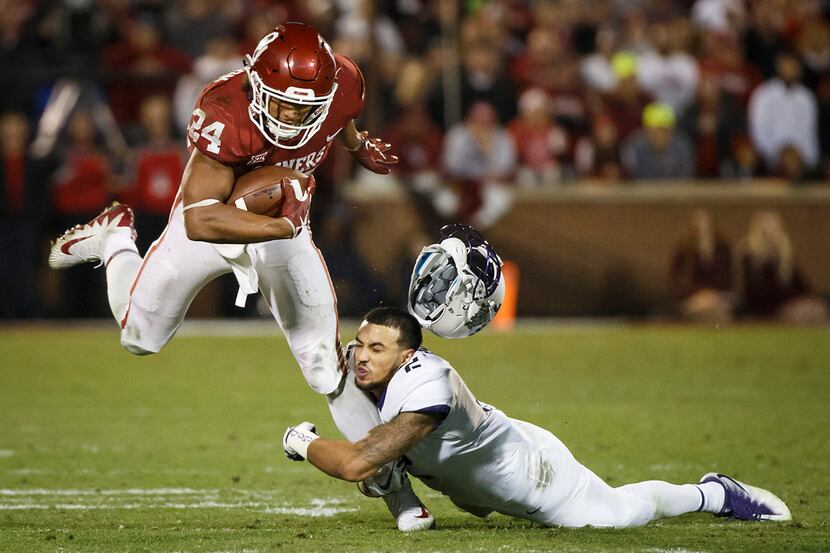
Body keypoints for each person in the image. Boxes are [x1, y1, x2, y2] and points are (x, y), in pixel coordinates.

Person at [46, 22, 433, 532]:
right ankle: (118, 238)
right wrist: (279, 221)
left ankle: (396, 492)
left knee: (325, 363)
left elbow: (341, 123)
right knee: (139, 339)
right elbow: (198, 218)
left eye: (305, 107)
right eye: (284, 103)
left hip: (282, 233)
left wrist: (358, 147)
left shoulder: (345, 85)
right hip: (217, 222)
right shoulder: (223, 108)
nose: (294, 116)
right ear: (255, 82)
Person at [283, 306, 792, 529]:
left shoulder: (425, 387)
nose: (362, 355)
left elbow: (353, 463)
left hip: (535, 475)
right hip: (474, 473)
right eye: (360, 343)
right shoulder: (371, 368)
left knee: (621, 515)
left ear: (407, 354)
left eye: (376, 348)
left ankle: (714, 493)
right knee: (375, 451)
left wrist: (301, 442)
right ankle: (403, 498)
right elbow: (334, 371)